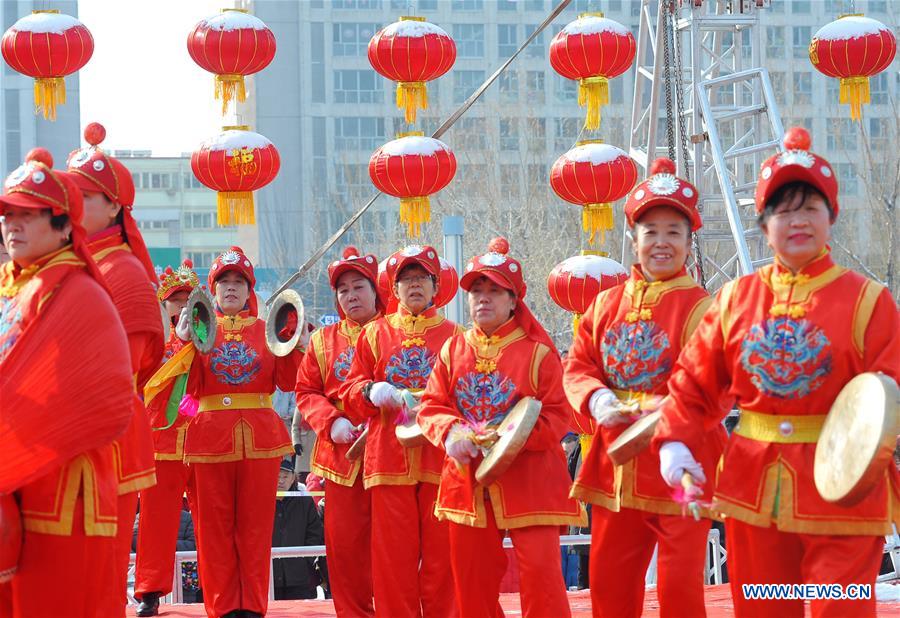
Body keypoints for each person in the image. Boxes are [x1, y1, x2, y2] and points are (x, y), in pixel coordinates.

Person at [652, 127, 900, 618]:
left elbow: (889, 391)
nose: (797, 221)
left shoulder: (869, 301)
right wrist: (675, 444)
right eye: (783, 210)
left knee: (840, 608)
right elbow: (693, 382)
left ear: (831, 217)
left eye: (809, 207)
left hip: (844, 490)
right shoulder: (734, 301)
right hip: (753, 486)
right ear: (764, 224)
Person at [563, 158, 727, 617]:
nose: (661, 242)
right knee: (610, 588)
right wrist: (597, 398)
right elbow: (578, 365)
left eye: (673, 232)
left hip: (683, 467)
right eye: (650, 231)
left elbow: (709, 385)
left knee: (679, 590)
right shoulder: (605, 304)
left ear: (689, 243)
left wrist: (675, 440)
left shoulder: (703, 308)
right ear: (633, 239)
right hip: (616, 466)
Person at [418, 237, 586, 618]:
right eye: (477, 290)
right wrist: (450, 433)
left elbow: (558, 414)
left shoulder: (538, 353)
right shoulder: (452, 350)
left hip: (531, 480)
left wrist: (509, 439)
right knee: (470, 584)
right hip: (467, 480)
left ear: (514, 300)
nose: (483, 298)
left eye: (494, 291)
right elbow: (431, 406)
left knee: (542, 581)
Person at [0, 149, 134, 616]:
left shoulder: (80, 296)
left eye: (28, 215)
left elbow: (107, 400)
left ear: (62, 226)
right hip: (12, 489)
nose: (12, 225)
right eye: (7, 215)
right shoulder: (15, 289)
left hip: (63, 502)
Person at [144, 245, 304, 618]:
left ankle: (251, 605)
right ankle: (222, 607)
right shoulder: (199, 332)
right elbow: (168, 388)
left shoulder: (267, 331)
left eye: (239, 282)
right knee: (212, 529)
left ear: (250, 291)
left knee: (255, 527)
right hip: (207, 439)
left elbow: (289, 381)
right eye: (224, 282)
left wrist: (293, 340)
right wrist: (183, 343)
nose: (231, 288)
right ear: (212, 291)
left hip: (261, 442)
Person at [62, 123, 165, 615]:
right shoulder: (71, 264)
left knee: (96, 576)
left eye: (86, 195)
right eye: (69, 193)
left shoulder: (121, 273)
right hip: (67, 438)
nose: (73, 204)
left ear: (114, 208)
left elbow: (124, 373)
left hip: (109, 442)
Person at [339, 244, 460, 618]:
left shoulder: (456, 336)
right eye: (406, 279)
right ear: (393, 288)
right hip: (388, 458)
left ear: (436, 285)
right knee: (392, 559)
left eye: (422, 277)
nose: (414, 285)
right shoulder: (374, 334)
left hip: (439, 456)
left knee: (443, 557)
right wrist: (371, 391)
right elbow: (349, 390)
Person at [295, 246, 385, 617]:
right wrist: (333, 422)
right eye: (343, 289)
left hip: (392, 458)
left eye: (358, 286)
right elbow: (305, 391)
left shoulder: (395, 333)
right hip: (340, 459)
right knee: (344, 549)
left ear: (376, 290)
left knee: (394, 547)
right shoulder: (322, 341)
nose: (351, 295)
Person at [134, 260, 200, 616]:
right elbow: (147, 384)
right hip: (162, 442)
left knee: (213, 522)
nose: (184, 304)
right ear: (164, 304)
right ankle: (149, 592)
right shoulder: (154, 341)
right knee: (157, 522)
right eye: (176, 299)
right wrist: (181, 343)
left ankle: (219, 586)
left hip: (207, 441)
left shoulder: (212, 334)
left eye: (190, 297)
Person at [271, 459, 326, 600]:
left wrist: (305, 559)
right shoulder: (260, 501)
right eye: (277, 477)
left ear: (293, 478)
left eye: (285, 477)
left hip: (299, 577)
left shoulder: (304, 501)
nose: (281, 481)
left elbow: (315, 532)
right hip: (269, 576)